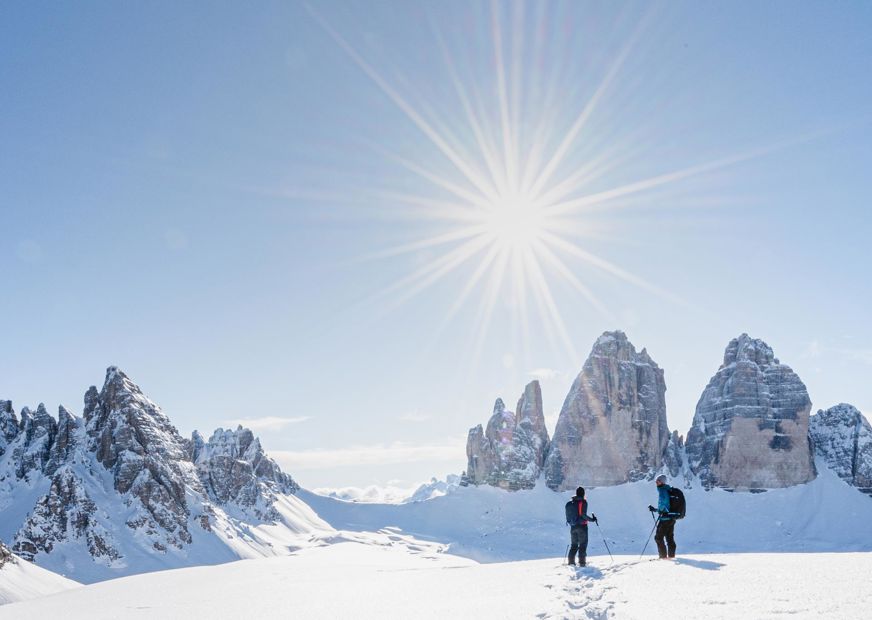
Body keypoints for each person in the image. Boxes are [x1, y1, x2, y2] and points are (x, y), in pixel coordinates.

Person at [565, 486, 597, 566]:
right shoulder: (583, 502)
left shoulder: (571, 502)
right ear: (583, 493)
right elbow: (583, 515)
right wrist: (592, 520)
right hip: (582, 527)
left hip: (573, 527)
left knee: (574, 545)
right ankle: (582, 563)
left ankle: (571, 563)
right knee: (583, 545)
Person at [648, 474, 677, 559]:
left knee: (658, 538)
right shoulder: (668, 490)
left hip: (665, 519)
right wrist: (656, 510)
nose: (656, 482)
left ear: (663, 482)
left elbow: (664, 504)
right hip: (671, 518)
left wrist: (659, 510)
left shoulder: (663, 491)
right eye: (656, 481)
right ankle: (671, 556)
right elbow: (666, 505)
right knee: (669, 538)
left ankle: (663, 557)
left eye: (658, 481)